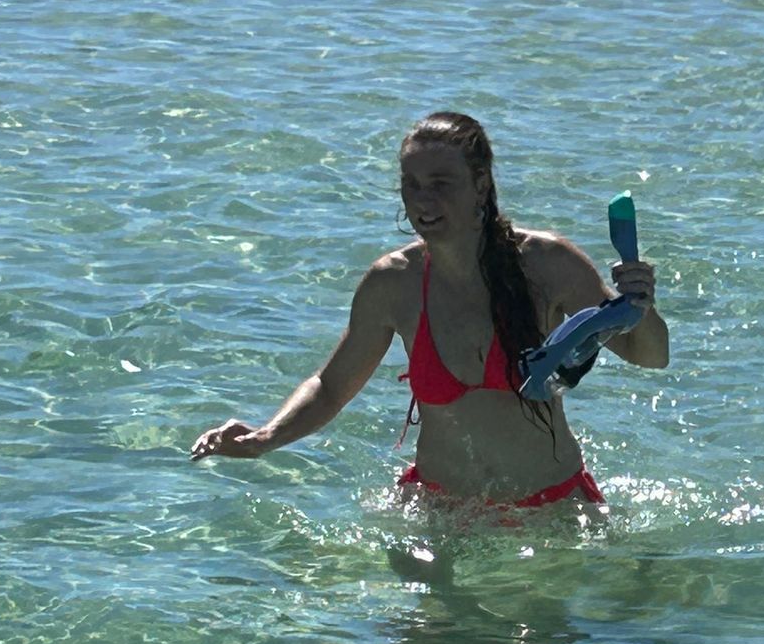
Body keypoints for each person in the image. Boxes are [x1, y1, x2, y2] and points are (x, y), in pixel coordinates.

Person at [191, 111, 667, 505]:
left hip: (550, 507)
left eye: (440, 183)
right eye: (412, 184)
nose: (423, 200)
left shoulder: (546, 263)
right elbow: (332, 386)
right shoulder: (393, 282)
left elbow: (649, 354)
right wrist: (266, 437)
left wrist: (641, 306)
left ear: (481, 184)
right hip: (440, 509)